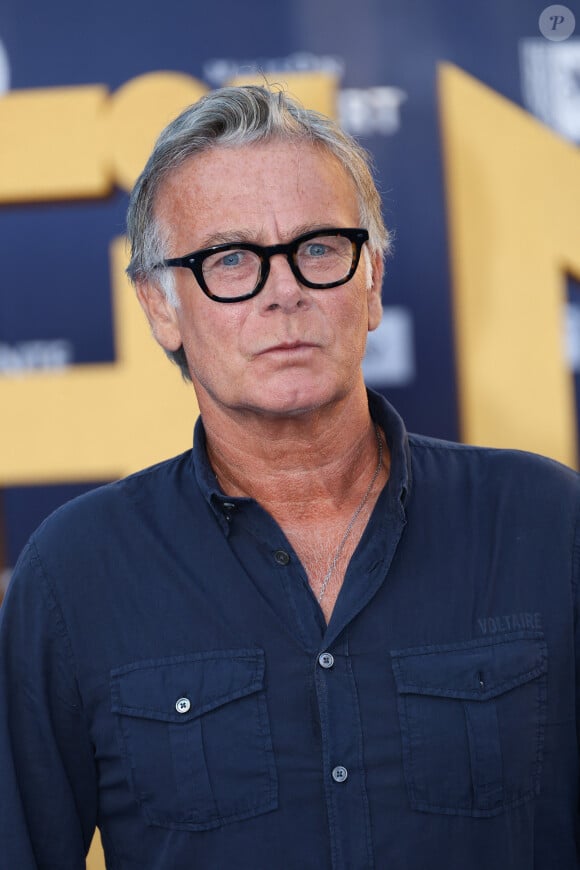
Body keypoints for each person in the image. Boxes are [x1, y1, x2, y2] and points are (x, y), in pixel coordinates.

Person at [0, 85, 579, 870]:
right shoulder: (76, 575)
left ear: (370, 280)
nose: (284, 290)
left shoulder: (546, 523)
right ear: (160, 307)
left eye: (317, 248)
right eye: (230, 259)